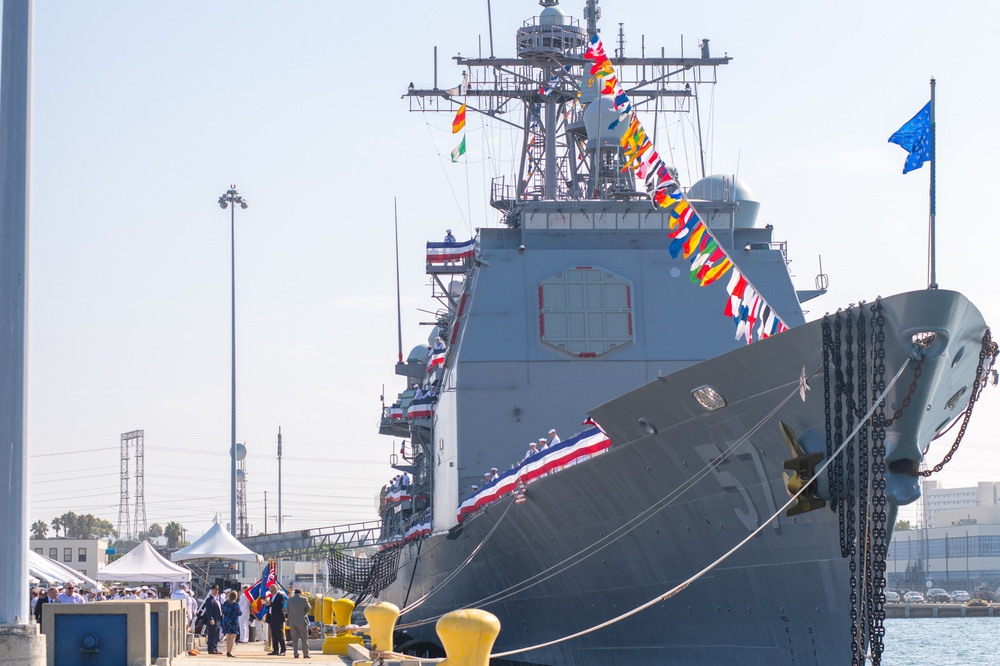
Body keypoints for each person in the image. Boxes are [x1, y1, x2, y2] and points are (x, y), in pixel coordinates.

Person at [285, 588, 311, 659]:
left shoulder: (289, 600)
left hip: (292, 622)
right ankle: (306, 654)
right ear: (301, 593)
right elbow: (309, 609)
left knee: (294, 639)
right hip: (302, 622)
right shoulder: (304, 599)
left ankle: (295, 654)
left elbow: (287, 611)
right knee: (304, 639)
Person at [265, 584, 286, 656]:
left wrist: (271, 603)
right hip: (271, 617)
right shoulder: (271, 597)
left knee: (279, 634)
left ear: (275, 589)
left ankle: (283, 649)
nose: (271, 592)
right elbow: (271, 606)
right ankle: (275, 650)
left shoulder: (280, 596)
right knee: (274, 635)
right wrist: (267, 605)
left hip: (277, 617)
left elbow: (280, 606)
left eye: (272, 590)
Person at [202, 584, 224, 654]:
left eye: (217, 590)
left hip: (218, 619)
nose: (216, 591)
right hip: (213, 620)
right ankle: (211, 649)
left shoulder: (217, 599)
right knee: (212, 635)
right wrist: (211, 619)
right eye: (214, 590)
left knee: (216, 635)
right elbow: (209, 611)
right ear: (211, 591)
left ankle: (215, 648)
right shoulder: (209, 600)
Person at [222, 590, 242, 658]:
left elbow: (223, 611)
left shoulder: (225, 603)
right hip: (233, 621)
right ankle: (229, 652)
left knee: (228, 636)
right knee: (233, 637)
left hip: (226, 621)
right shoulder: (235, 605)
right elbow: (239, 613)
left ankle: (228, 650)